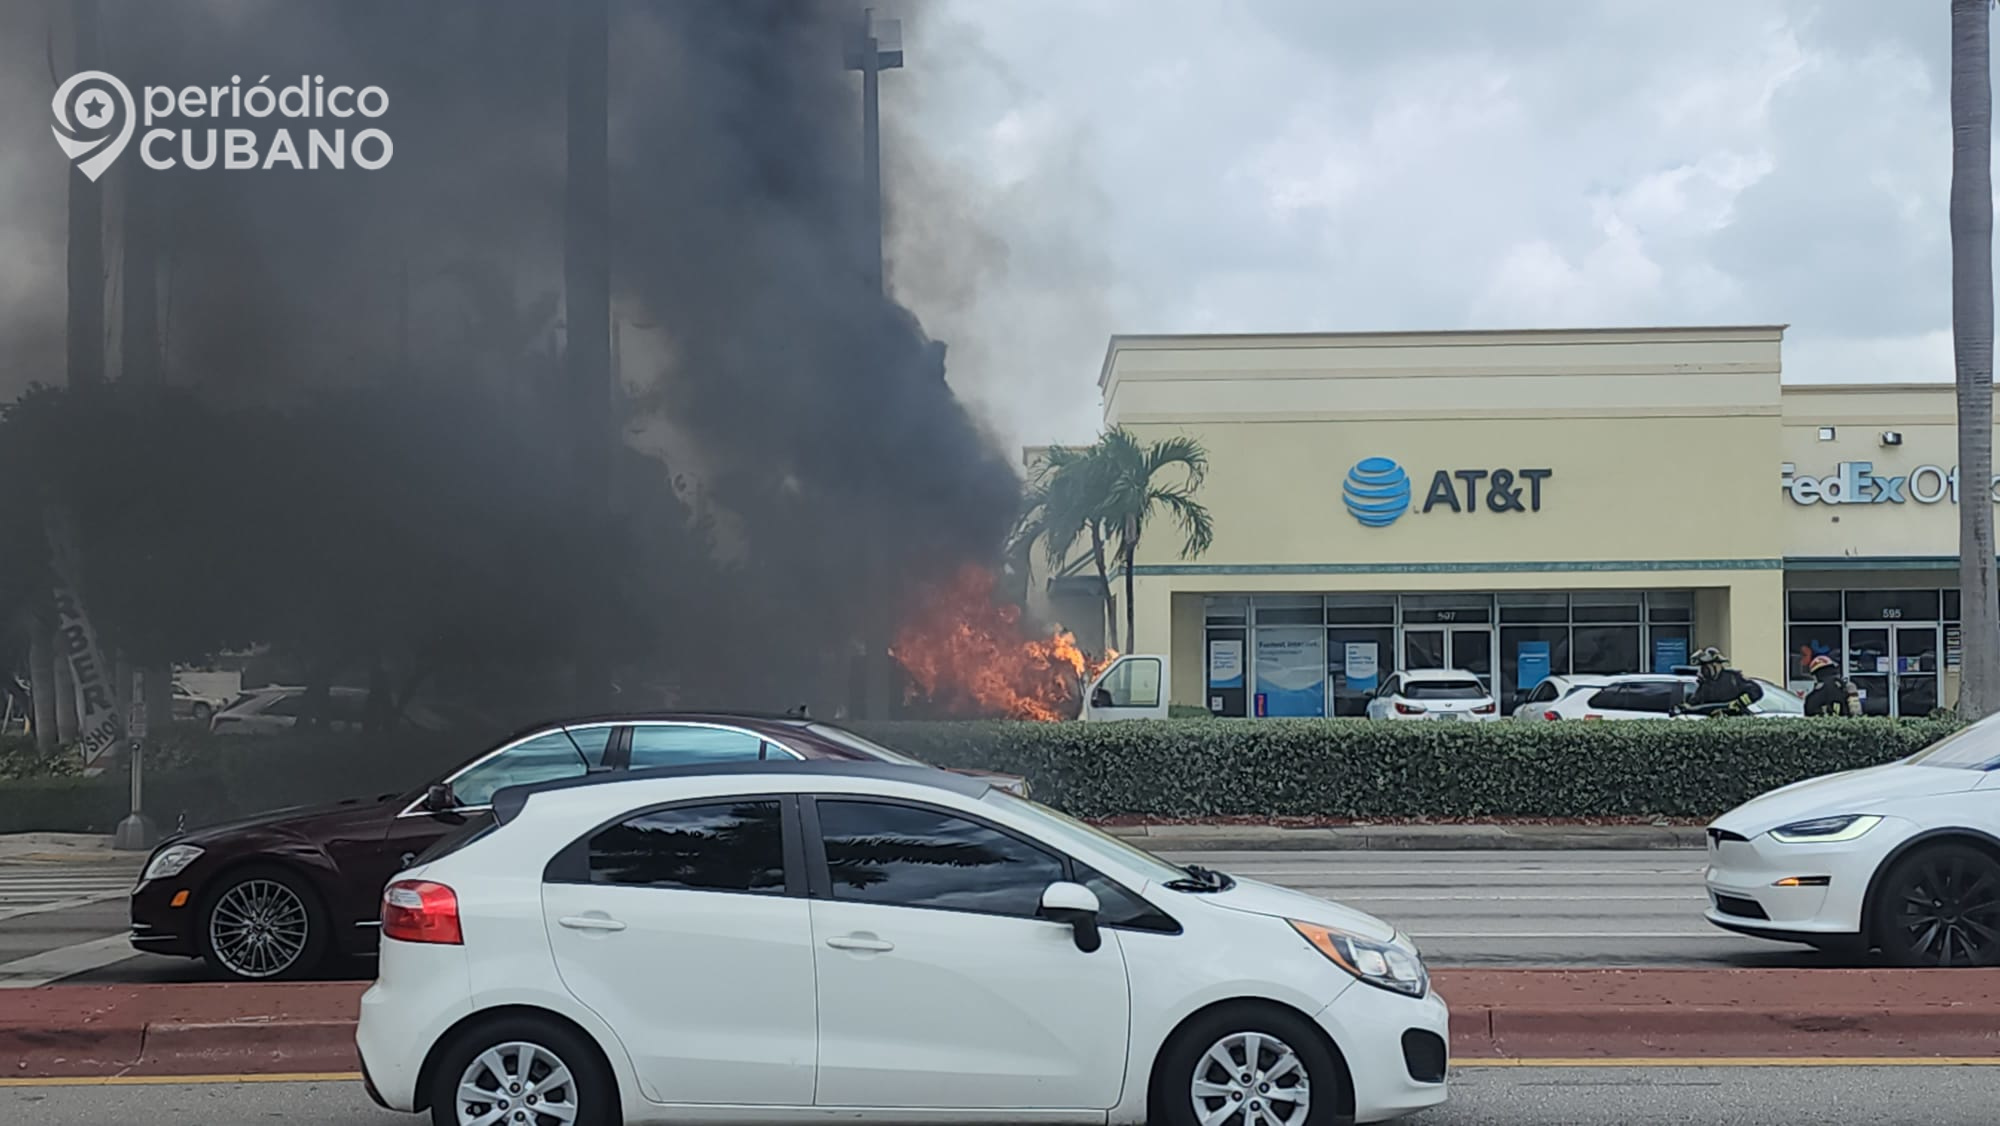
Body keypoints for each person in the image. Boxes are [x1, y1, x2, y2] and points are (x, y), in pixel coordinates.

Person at [1682, 646, 1763, 716]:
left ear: (1716, 665)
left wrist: (1739, 703)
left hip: (1735, 720)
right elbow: (1697, 701)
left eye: (1705, 667)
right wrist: (1687, 706)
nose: (1702, 671)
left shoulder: (1733, 678)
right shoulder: (1705, 684)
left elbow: (1756, 692)